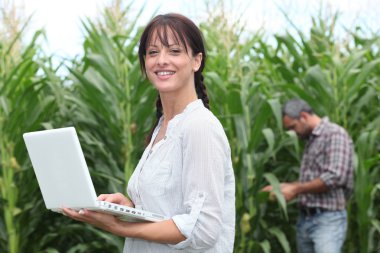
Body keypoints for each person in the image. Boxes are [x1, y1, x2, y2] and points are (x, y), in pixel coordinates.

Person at [63, 13, 235, 253]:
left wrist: (120, 227)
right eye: (153, 52)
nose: (161, 60)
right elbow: (168, 209)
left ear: (196, 61)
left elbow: (202, 229)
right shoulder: (163, 126)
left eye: (174, 51)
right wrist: (130, 208)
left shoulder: (199, 126)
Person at [262, 98, 354, 253]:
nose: (292, 133)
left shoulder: (334, 134)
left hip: (328, 220)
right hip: (306, 220)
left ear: (304, 116)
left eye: (293, 127)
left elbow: (335, 177)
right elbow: (312, 180)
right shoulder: (312, 139)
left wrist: (295, 190)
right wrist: (284, 188)